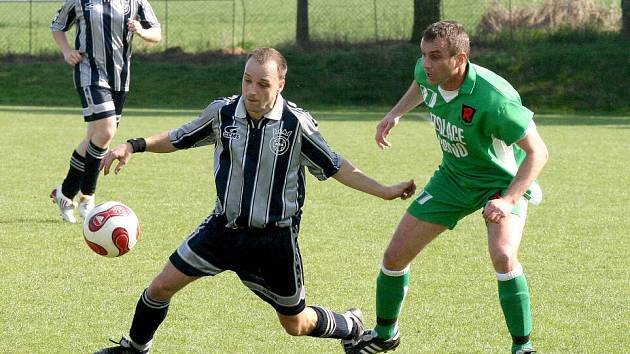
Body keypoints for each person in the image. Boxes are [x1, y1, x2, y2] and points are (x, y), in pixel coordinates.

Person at [97, 48, 417, 353]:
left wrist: (384, 190)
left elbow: (336, 166)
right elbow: (178, 137)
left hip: (273, 243)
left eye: (263, 84)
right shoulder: (222, 113)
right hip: (222, 231)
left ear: (280, 85)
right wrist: (133, 145)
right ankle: (136, 349)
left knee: (296, 323)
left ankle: (349, 325)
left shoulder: (296, 125)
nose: (252, 90)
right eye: (247, 80)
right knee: (159, 288)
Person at [345, 21, 548, 354]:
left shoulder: (494, 98)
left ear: (460, 58)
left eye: (435, 57)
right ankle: (385, 336)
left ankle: (523, 349)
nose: (426, 64)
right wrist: (396, 113)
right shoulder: (428, 71)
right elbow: (420, 84)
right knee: (394, 256)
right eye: (423, 55)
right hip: (452, 178)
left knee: (503, 255)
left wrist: (510, 199)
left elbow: (538, 152)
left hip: (498, 183)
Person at [49, 0, 161, 223]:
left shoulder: (136, 2)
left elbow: (156, 33)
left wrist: (141, 31)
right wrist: (66, 51)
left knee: (96, 137)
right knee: (107, 131)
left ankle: (65, 192)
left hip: (120, 78)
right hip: (89, 74)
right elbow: (57, 25)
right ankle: (87, 197)